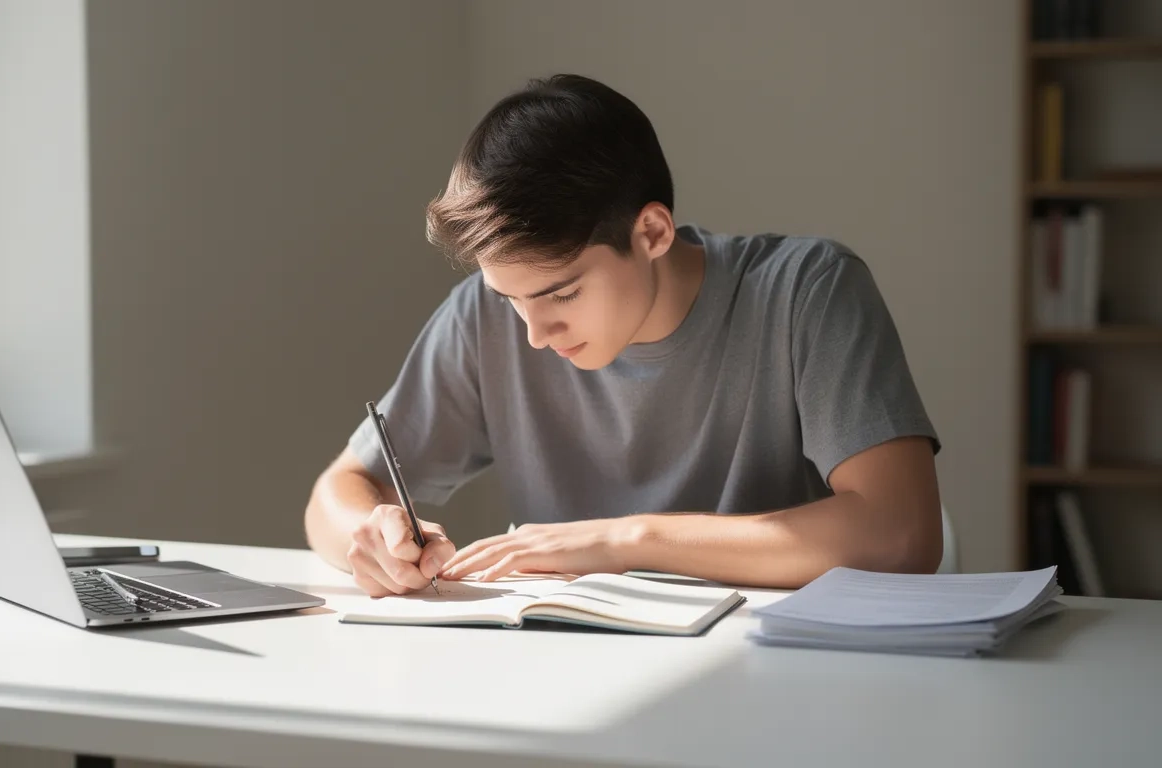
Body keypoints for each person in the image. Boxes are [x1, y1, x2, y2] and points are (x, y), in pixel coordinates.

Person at [304, 73, 942, 597]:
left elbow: (902, 532)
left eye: (562, 292)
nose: (532, 334)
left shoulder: (808, 290)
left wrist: (622, 542)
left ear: (653, 233)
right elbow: (337, 492)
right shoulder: (484, 315)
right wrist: (372, 534)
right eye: (509, 298)